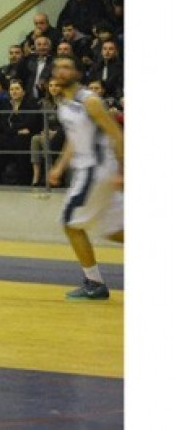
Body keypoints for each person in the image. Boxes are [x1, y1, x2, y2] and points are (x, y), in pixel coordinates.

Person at [47, 54, 124, 300]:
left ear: (77, 73)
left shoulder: (89, 101)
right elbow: (74, 138)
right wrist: (59, 167)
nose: (62, 71)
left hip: (95, 169)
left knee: (70, 224)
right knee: (114, 231)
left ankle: (94, 283)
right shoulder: (63, 102)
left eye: (67, 67)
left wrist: (123, 171)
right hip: (89, 169)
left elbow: (117, 134)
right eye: (58, 67)